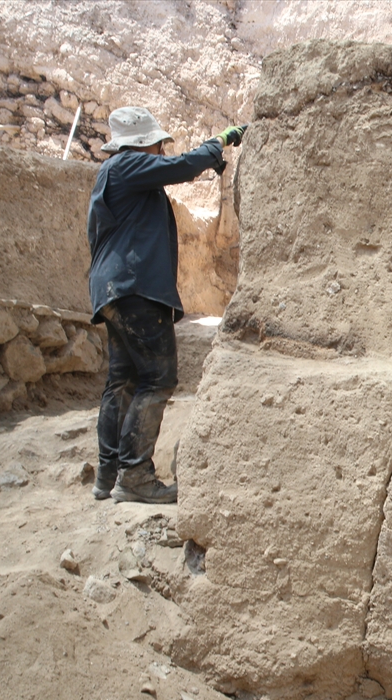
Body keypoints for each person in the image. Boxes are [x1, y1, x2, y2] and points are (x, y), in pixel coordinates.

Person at [87, 107, 246, 503]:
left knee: (121, 381)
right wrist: (219, 144)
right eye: (158, 144)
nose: (160, 151)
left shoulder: (112, 175)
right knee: (158, 378)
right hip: (135, 288)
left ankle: (108, 474)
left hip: (113, 290)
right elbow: (182, 167)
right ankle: (136, 476)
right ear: (143, 144)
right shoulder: (126, 167)